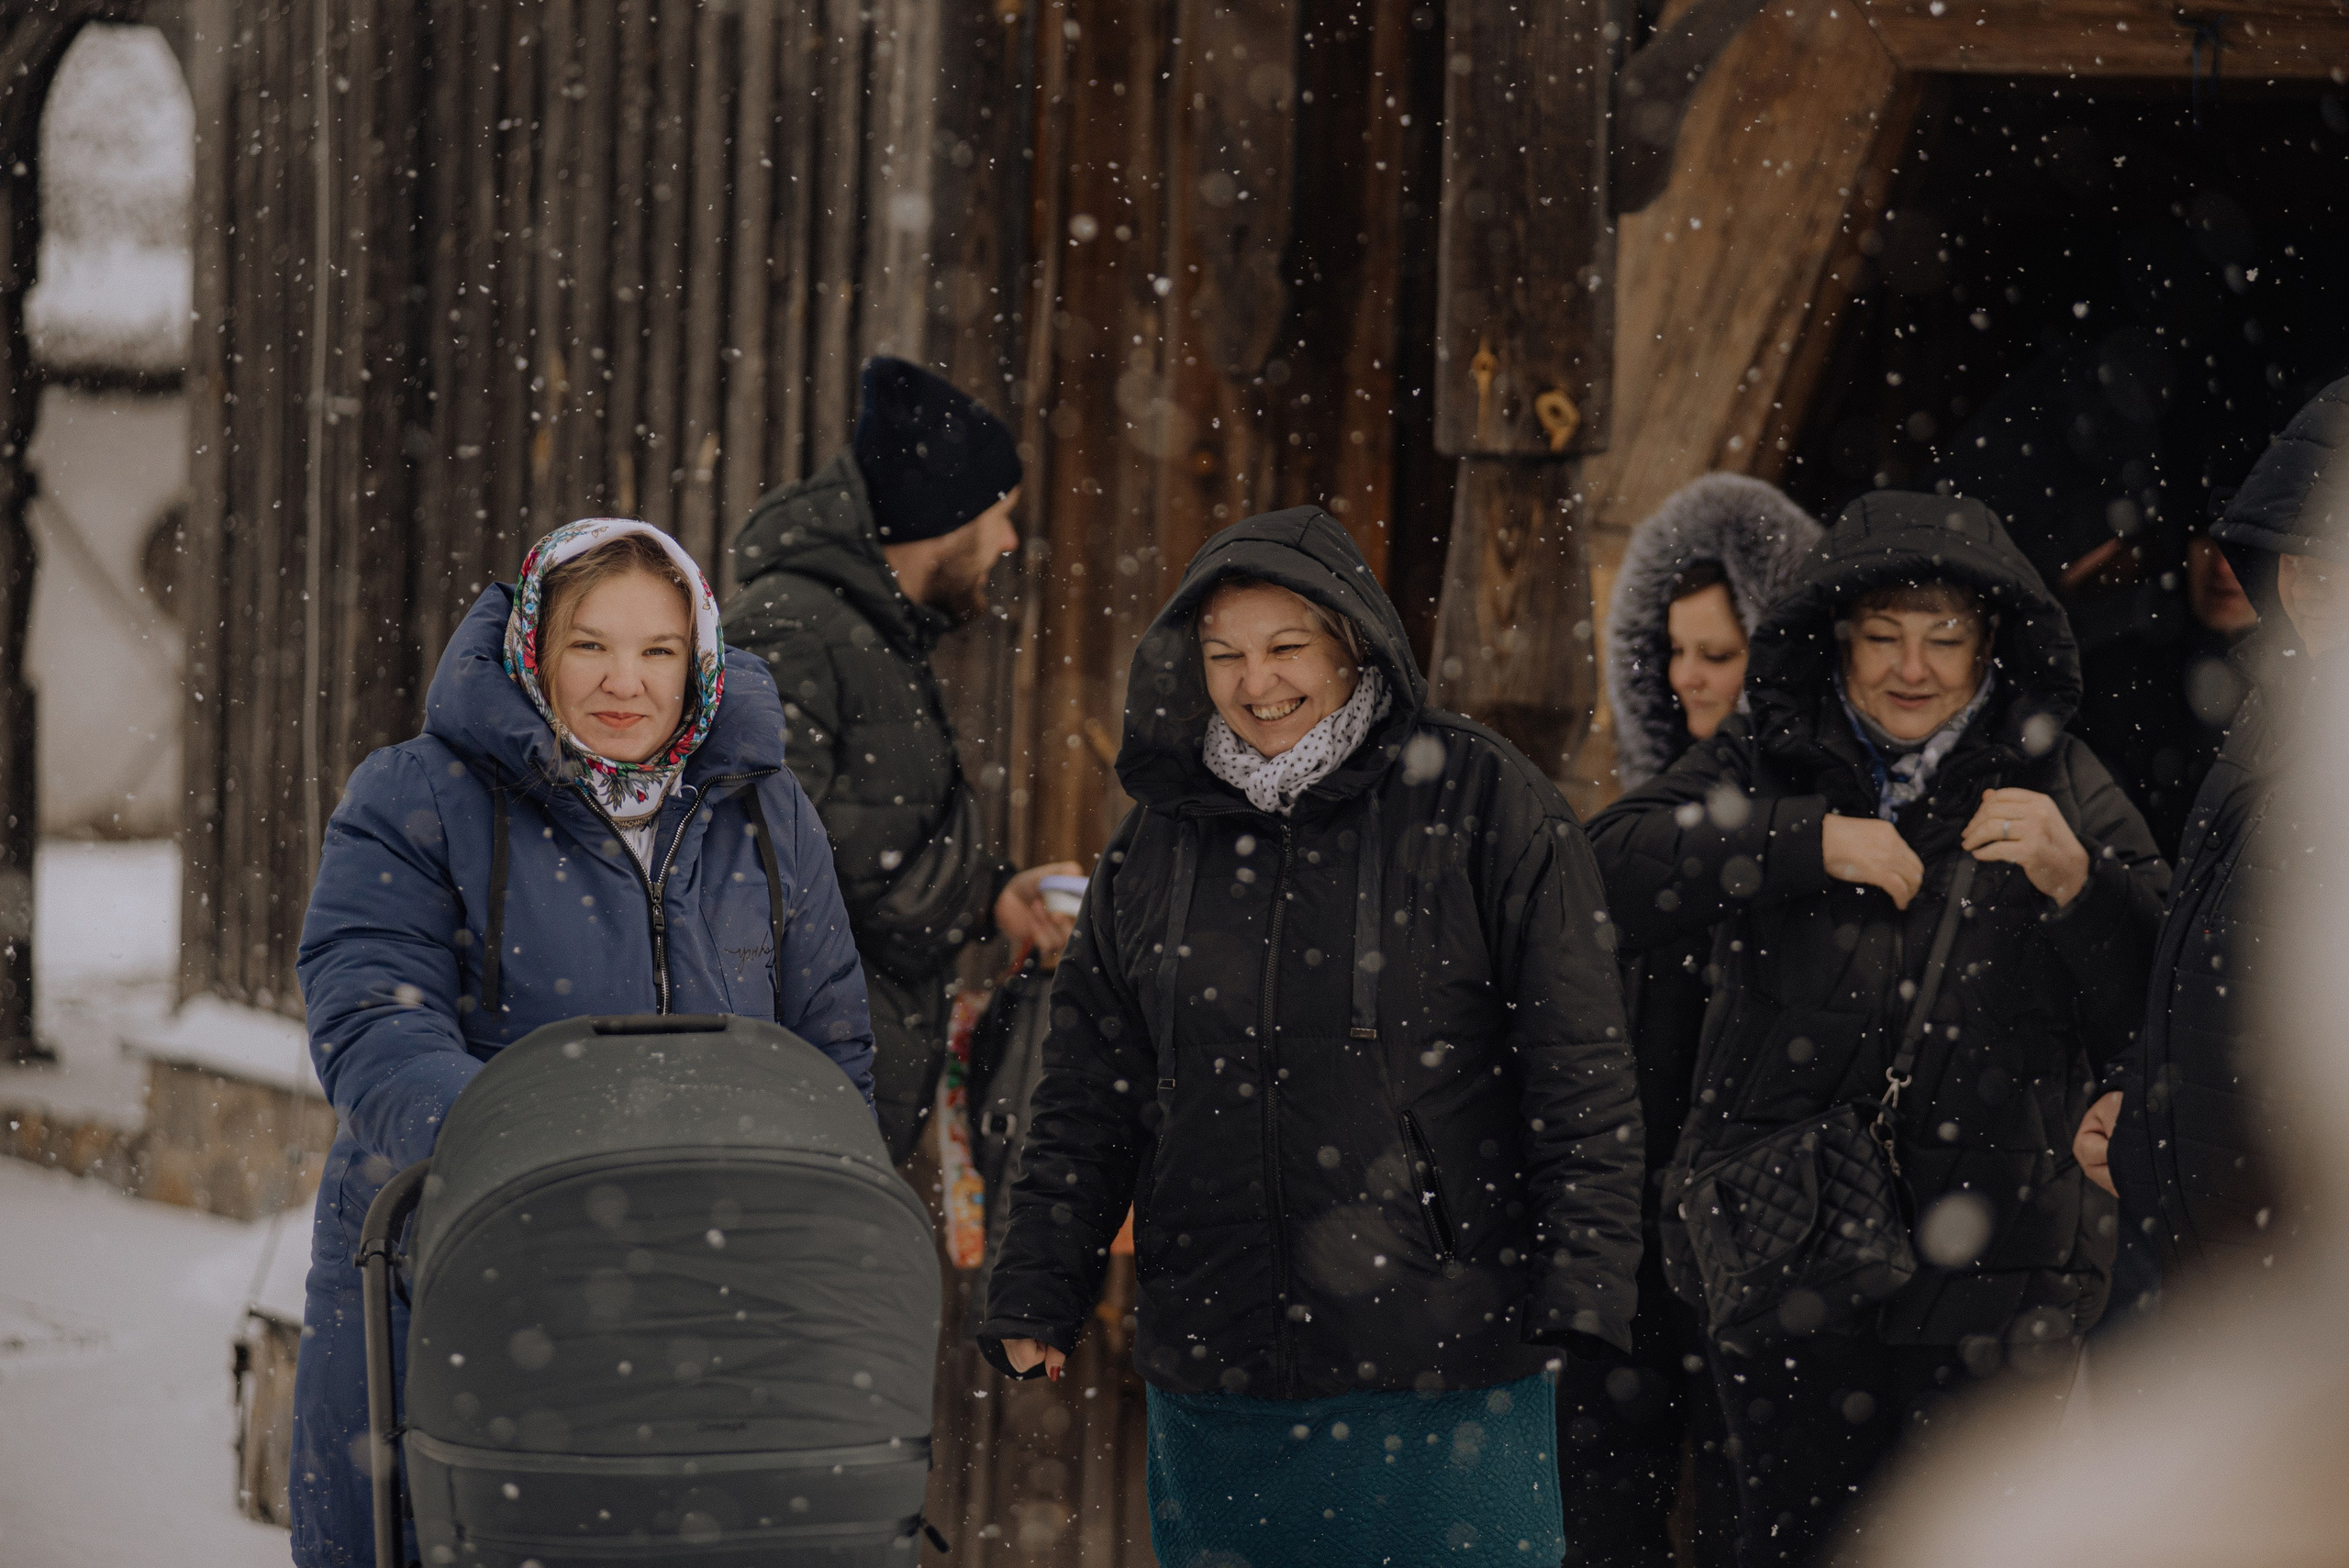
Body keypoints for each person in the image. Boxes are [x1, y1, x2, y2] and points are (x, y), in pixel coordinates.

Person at [974, 507, 1645, 1567]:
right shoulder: (1154, 841)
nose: (1256, 682)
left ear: (1350, 643)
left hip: (1442, 1355)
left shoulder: (1482, 799)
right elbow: (1088, 1088)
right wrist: (1036, 1284)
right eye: (1224, 654)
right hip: (1222, 1361)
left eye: (1285, 647)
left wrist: (1588, 1280)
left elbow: (1579, 1065)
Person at [1589, 492, 2169, 1566]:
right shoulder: (1767, 760)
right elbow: (1607, 865)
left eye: (1945, 636)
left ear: (1989, 642)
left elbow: (2163, 995)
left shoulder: (2063, 782)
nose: (1915, 666)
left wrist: (2078, 881)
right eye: (1883, 636)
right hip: (1789, 1258)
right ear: (1835, 639)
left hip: (1999, 1279)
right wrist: (1806, 842)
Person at [285, 518, 875, 1565]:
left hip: (702, 1287)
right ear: (532, 649)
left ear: (698, 658)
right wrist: (539, 1167)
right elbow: (374, 1018)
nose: (625, 682)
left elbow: (828, 1047)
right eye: (589, 644)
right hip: (465, 1274)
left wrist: (809, 1226)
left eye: (657, 650)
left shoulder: (765, 812)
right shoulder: (418, 795)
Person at [727, 357, 1076, 1162]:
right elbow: (766, 869)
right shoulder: (793, 629)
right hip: (791, 1105)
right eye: (1000, 515)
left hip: (841, 1100)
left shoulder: (872, 629)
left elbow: (867, 832)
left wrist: (995, 897)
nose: (1010, 541)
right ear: (945, 515)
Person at [1578, 473, 1822, 1568]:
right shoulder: (1639, 824)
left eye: (1716, 653)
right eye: (1672, 651)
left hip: (1757, 1226)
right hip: (1637, 1227)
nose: (1686, 678)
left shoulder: (1827, 824)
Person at [2082, 375, 2349, 1307]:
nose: (2310, 588)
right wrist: (2140, 1096)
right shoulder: (2273, 722)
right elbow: (2205, 951)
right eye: (2294, 561)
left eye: (2337, 560)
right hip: (2203, 1259)